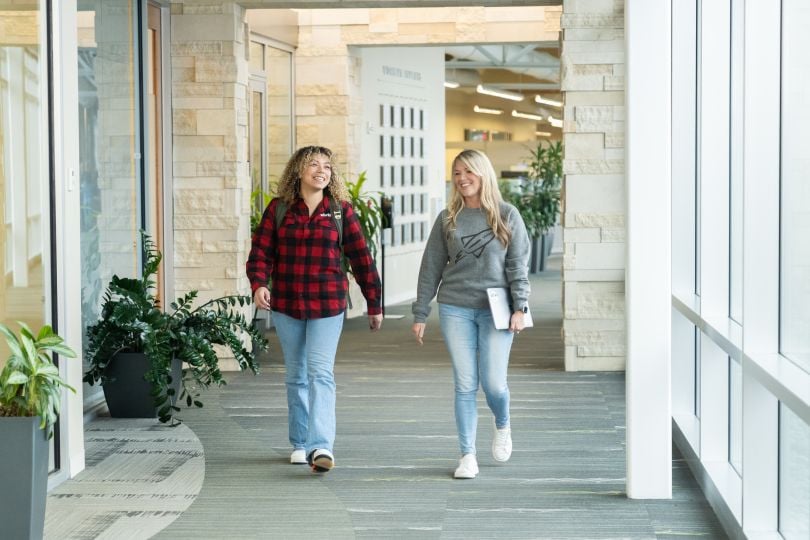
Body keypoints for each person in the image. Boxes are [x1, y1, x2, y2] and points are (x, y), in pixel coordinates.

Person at [247, 145, 383, 474]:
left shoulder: (340, 212)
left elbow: (362, 259)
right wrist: (259, 284)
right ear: (298, 171)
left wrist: (374, 303)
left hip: (327, 304)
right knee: (296, 376)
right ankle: (299, 442)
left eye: (326, 166)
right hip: (288, 303)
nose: (321, 170)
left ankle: (321, 445)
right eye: (313, 165)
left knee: (320, 374)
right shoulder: (278, 210)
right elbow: (261, 253)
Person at [411, 149, 530, 479]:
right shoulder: (448, 218)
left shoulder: (507, 215)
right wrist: (421, 312)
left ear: (483, 174)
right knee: (465, 383)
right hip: (455, 307)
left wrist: (520, 307)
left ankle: (502, 423)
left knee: (493, 384)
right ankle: (467, 455)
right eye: (457, 172)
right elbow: (431, 266)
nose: (462, 179)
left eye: (469, 172)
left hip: (497, 309)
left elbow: (517, 266)